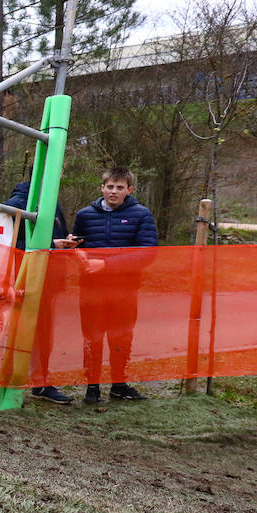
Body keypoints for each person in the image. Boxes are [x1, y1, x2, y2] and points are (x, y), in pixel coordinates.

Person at [71, 167, 157, 404]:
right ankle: (92, 386)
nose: (114, 191)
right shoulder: (84, 215)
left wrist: (106, 265)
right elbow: (77, 246)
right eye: (110, 186)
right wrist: (75, 252)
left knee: (121, 338)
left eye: (120, 187)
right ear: (102, 188)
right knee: (92, 337)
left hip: (125, 289)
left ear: (129, 190)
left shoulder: (141, 215)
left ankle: (119, 385)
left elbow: (148, 253)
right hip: (91, 289)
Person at [5, 180, 80, 405]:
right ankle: (10, 384)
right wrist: (51, 244)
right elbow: (9, 243)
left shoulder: (52, 201)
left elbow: (58, 236)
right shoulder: (18, 202)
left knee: (44, 333)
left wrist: (66, 242)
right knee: (19, 332)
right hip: (24, 281)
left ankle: (41, 383)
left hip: (48, 280)